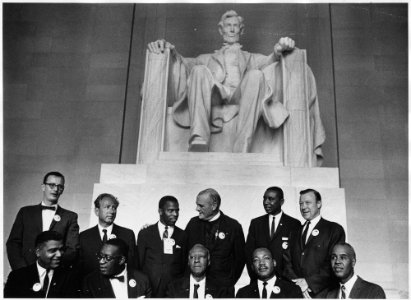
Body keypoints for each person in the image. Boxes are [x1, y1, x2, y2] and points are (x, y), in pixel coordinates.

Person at [147, 10, 296, 153]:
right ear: (221, 30)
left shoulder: (251, 57)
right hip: (216, 94)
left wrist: (279, 49)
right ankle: (199, 137)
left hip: (242, 94)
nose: (231, 29)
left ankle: (243, 144)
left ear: (241, 30)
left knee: (256, 75)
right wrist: (169, 50)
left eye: (235, 26)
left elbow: (270, 60)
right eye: (228, 26)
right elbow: (183, 64)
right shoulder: (205, 59)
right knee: (198, 70)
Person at [6, 171, 79, 270]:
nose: (56, 189)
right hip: (25, 271)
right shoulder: (25, 212)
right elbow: (13, 244)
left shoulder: (70, 217)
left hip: (54, 274)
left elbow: (72, 249)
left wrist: (54, 268)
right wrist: (21, 270)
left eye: (59, 186)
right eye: (52, 185)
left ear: (62, 190)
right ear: (43, 187)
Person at [283, 188, 346, 298]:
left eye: (307, 203)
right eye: (301, 203)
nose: (303, 207)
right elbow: (287, 262)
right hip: (297, 293)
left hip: (324, 294)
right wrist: (298, 284)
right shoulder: (294, 232)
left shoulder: (333, 229)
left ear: (319, 204)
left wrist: (308, 282)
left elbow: (334, 263)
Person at [185, 188, 246, 288]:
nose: (197, 209)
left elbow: (240, 259)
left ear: (214, 206)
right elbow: (185, 254)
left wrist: (229, 282)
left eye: (201, 206)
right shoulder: (193, 224)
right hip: (196, 286)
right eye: (197, 204)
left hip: (223, 287)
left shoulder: (233, 226)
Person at [245, 187, 301, 280]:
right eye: (264, 198)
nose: (266, 202)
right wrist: (256, 278)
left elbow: (295, 256)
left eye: (271, 199)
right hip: (260, 280)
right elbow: (249, 254)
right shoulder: (256, 223)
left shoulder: (294, 224)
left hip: (285, 282)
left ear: (281, 201)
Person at [137, 195, 188, 297]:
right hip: (149, 288)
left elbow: (184, 266)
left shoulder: (183, 235)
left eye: (177, 210)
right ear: (160, 211)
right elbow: (139, 263)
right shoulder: (145, 233)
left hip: (173, 290)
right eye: (170, 210)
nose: (175, 214)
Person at [4, 230, 80, 298]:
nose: (59, 254)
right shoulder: (17, 277)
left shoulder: (70, 277)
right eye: (53, 250)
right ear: (38, 252)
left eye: (61, 250)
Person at [79, 193, 137, 276]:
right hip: (91, 286)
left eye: (114, 208)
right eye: (107, 207)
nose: (112, 211)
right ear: (97, 211)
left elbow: (132, 266)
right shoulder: (84, 236)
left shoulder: (127, 234)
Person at [82, 238, 151, 298]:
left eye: (108, 258)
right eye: (101, 256)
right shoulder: (90, 282)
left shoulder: (142, 280)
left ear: (121, 260)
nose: (101, 261)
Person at [166, 244, 234, 298]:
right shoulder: (174, 288)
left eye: (201, 256)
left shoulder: (221, 290)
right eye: (192, 257)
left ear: (208, 261)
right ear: (188, 262)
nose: (196, 260)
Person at [236, 247, 302, 298]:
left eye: (266, 258)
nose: (261, 263)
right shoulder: (242, 294)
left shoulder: (293, 291)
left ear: (274, 263)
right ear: (252, 267)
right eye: (256, 260)